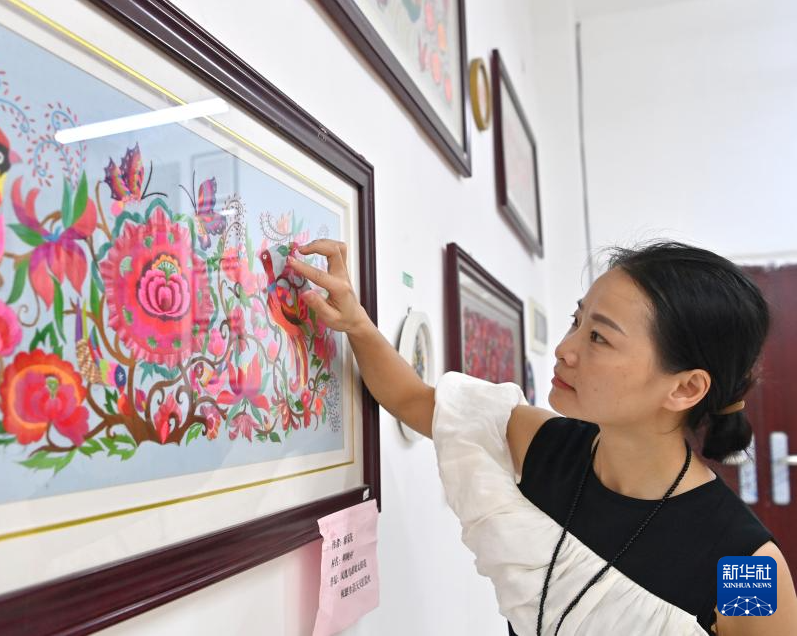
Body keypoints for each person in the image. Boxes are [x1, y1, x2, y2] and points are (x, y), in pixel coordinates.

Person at [287, 239, 797, 635]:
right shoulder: (544, 445)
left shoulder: (745, 566)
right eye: (577, 320)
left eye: (598, 337)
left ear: (685, 388)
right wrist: (356, 323)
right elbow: (412, 400)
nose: (564, 349)